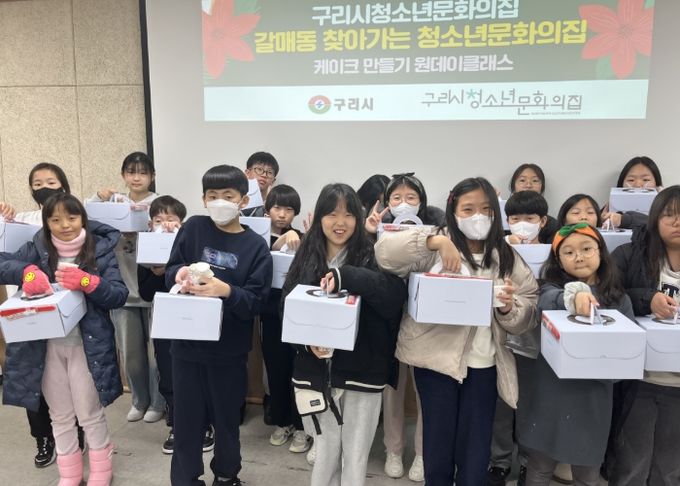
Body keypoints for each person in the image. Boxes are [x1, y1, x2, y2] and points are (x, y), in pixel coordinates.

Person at [375, 177, 538, 486]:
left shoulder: (505, 255)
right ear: (453, 211)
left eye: (486, 209)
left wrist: (508, 308)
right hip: (436, 364)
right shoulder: (436, 243)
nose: (478, 217)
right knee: (437, 449)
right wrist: (434, 241)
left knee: (475, 453)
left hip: (485, 365)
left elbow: (528, 304)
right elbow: (384, 253)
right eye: (468, 209)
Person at [282, 183, 407, 486]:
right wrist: (306, 343)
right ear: (319, 217)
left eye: (349, 215)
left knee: (356, 453)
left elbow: (393, 299)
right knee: (325, 451)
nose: (340, 223)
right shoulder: (307, 255)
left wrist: (348, 276)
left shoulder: (374, 253)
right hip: (316, 373)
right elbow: (287, 308)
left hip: (362, 373)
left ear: (359, 218)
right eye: (332, 214)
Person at [0, 193, 128, 485]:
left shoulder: (99, 249)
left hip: (86, 347)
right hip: (46, 347)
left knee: (89, 412)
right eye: (55, 220)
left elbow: (118, 295)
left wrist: (88, 282)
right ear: (46, 223)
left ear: (83, 218)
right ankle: (69, 473)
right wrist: (25, 271)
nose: (65, 225)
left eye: (71, 218)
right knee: (59, 414)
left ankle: (101, 468)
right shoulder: (37, 247)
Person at [165, 165, 272, 486]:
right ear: (203, 199)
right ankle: (185, 479)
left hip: (228, 352)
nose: (219, 202)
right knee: (186, 423)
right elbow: (171, 269)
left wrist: (226, 291)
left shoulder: (255, 247)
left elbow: (257, 301)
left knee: (226, 422)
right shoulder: (193, 228)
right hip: (186, 346)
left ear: (243, 200)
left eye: (228, 195)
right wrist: (178, 275)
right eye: (212, 196)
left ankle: (226, 475)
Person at [517, 223, 634, 486]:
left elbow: (629, 350)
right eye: (568, 252)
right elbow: (548, 300)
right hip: (551, 392)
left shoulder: (618, 299)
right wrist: (575, 296)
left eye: (586, 249)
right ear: (558, 261)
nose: (578, 257)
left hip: (594, 397)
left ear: (600, 252)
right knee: (540, 465)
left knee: (588, 471)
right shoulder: (549, 291)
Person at [0, 162, 84, 468]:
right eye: (37, 184)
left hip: (66, 312)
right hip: (26, 311)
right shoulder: (19, 220)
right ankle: (43, 436)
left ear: (63, 184)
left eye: (51, 181)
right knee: (31, 376)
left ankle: (75, 433)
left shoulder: (75, 216)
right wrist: (2, 220)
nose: (44, 188)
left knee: (71, 381)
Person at [609, 186, 680, 486]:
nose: (677, 222)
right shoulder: (629, 254)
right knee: (631, 466)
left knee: (670, 469)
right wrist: (647, 299)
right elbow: (608, 295)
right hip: (641, 380)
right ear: (654, 219)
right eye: (669, 215)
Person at [87, 152, 164, 423]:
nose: (136, 177)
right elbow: (87, 216)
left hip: (153, 290)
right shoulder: (114, 204)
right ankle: (139, 400)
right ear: (123, 175)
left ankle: (158, 402)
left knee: (156, 354)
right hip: (122, 290)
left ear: (152, 176)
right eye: (131, 172)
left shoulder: (160, 203)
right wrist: (99, 196)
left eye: (143, 172)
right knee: (130, 354)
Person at [137, 196, 216, 455]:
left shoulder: (193, 245)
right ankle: (176, 425)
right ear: (150, 224)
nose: (165, 225)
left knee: (197, 373)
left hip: (193, 319)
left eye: (171, 220)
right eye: (158, 220)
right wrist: (156, 272)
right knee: (168, 372)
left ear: (182, 223)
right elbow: (146, 293)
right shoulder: (148, 249)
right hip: (164, 320)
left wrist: (177, 268)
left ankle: (204, 425)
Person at [488, 189, 551, 486]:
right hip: (503, 339)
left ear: (543, 221)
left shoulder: (553, 253)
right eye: (515, 218)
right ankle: (499, 462)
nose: (522, 224)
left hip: (538, 343)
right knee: (502, 404)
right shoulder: (500, 252)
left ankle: (527, 461)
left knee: (530, 407)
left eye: (530, 218)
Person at [259, 185, 312, 453]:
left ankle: (302, 427)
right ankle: (282, 422)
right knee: (276, 370)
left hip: (298, 316)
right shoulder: (257, 236)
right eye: (277, 208)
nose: (282, 214)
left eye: (289, 209)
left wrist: (306, 241)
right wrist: (278, 243)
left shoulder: (302, 237)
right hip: (270, 316)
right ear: (267, 209)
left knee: (299, 371)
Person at [601, 156, 664, 230]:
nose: (637, 185)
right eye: (631, 180)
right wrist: (600, 220)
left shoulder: (667, 208)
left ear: (657, 185)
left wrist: (623, 219)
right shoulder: (609, 208)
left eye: (646, 180)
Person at [507, 164, 559, 244]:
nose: (528, 185)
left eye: (535, 181)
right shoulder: (500, 221)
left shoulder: (552, 225)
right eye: (522, 180)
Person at [242, 152, 279, 217]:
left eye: (270, 172)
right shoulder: (236, 200)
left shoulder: (277, 207)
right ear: (247, 173)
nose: (264, 175)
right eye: (259, 169)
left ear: (273, 181)